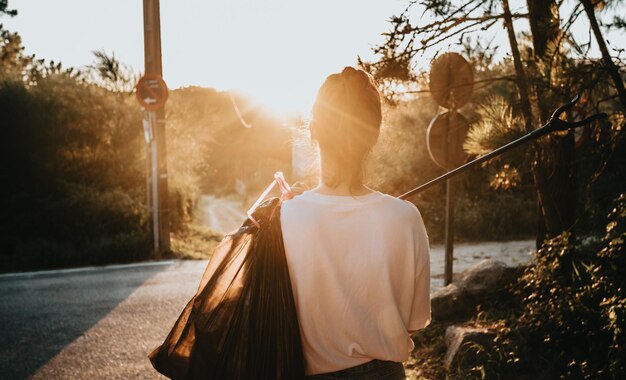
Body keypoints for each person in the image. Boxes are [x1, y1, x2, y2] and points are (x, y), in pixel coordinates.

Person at [281, 66, 431, 379]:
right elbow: (415, 322)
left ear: (313, 130)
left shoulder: (283, 219)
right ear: (374, 133)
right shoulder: (405, 218)